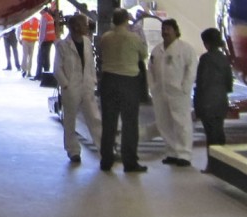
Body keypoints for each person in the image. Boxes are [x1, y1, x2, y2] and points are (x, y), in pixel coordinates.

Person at [96, 9, 149, 172]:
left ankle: (106, 160)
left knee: (108, 122)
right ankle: (130, 161)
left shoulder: (105, 38)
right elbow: (144, 54)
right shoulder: (133, 38)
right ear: (126, 20)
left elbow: (100, 53)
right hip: (128, 81)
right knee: (130, 123)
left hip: (108, 81)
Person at [54, 13, 102, 163]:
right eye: (84, 24)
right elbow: (57, 68)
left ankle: (104, 149)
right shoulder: (63, 45)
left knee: (94, 118)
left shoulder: (87, 42)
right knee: (70, 120)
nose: (87, 27)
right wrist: (66, 84)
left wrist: (93, 80)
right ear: (75, 26)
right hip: (71, 87)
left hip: (86, 85)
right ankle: (73, 150)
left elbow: (90, 64)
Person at [151, 19, 196, 166]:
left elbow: (191, 69)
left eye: (168, 29)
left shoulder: (185, 49)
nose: (165, 32)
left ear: (176, 31)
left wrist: (185, 87)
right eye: (163, 29)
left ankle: (184, 154)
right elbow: (150, 69)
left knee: (181, 123)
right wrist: (153, 86)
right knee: (164, 122)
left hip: (178, 92)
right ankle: (171, 151)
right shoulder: (157, 50)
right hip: (160, 92)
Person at [193, 27, 233, 158]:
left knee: (211, 135)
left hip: (207, 102)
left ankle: (213, 164)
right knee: (219, 131)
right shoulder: (224, 58)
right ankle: (222, 160)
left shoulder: (205, 59)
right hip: (221, 100)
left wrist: (197, 105)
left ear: (206, 43)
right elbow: (229, 82)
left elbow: (201, 82)